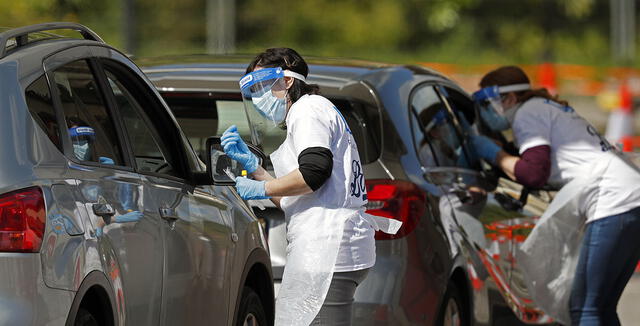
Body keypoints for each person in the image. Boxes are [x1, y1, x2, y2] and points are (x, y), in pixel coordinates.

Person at [220, 48, 400, 326]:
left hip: (327, 250)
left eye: (260, 85)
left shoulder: (308, 109)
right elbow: (295, 198)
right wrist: (255, 170)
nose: (258, 97)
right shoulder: (308, 114)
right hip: (325, 248)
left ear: (288, 80)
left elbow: (314, 173)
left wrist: (262, 190)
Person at [470, 65, 640, 326]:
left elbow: (534, 172)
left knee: (584, 307)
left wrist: (496, 155)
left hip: (614, 199)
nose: (484, 112)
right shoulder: (543, 108)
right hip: (629, 195)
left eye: (485, 103)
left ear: (510, 99)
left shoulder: (527, 113)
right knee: (600, 306)